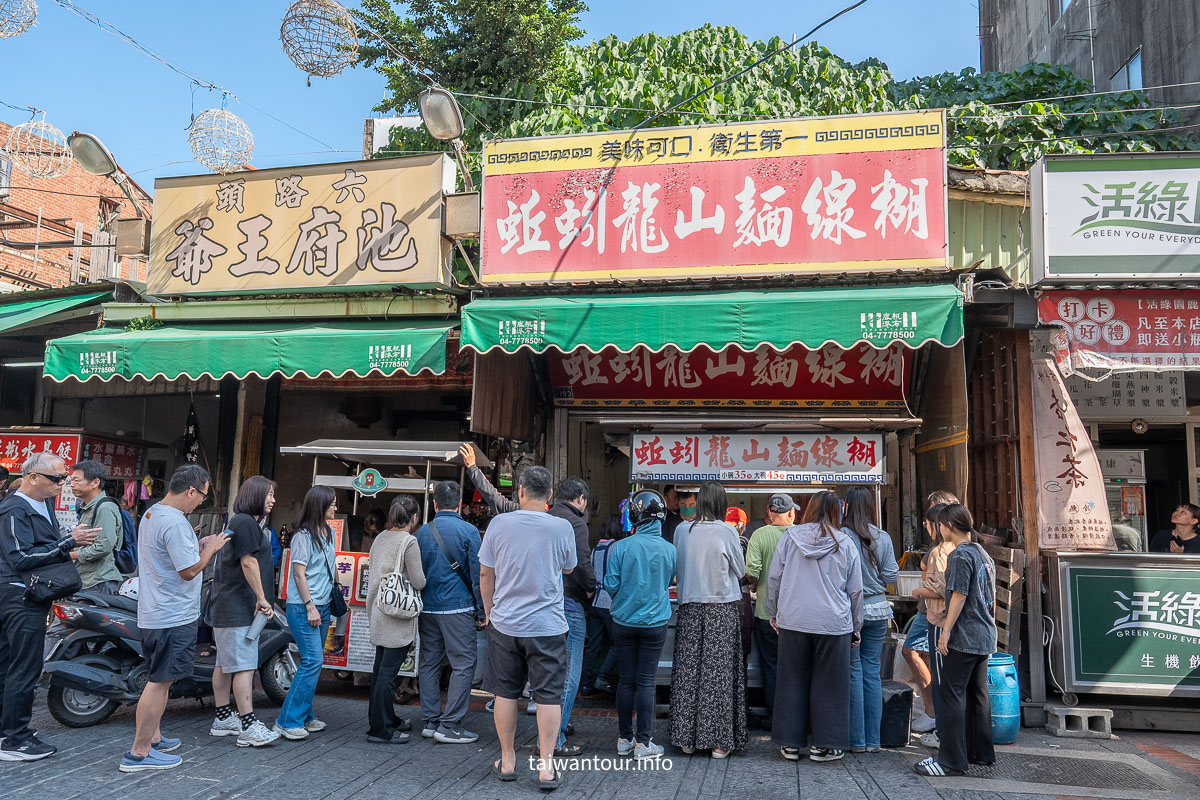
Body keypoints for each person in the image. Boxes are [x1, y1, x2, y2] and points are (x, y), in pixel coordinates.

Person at [120, 465, 229, 772]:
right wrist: (211, 548)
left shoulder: (153, 513)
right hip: (172, 614)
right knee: (158, 682)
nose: (201, 503)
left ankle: (153, 739)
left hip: (154, 612)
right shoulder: (176, 522)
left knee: (160, 679)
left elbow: (168, 558)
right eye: (202, 496)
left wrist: (193, 545)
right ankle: (139, 753)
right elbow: (189, 571)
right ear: (191, 491)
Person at [479, 466, 576, 789]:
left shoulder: (498, 524)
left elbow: (486, 575)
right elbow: (569, 567)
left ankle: (508, 761)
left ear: (519, 491)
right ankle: (546, 768)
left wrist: (490, 611)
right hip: (547, 625)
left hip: (506, 623)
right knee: (549, 696)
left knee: (506, 692)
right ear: (550, 495)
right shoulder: (562, 527)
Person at [0, 452, 99, 761]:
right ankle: (14, 738)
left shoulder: (41, 504)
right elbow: (20, 558)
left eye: (64, 478)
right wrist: (68, 542)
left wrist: (65, 541)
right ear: (33, 478)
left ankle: (10, 731)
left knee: (12, 664)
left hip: (29, 594)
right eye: (57, 478)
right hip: (19, 596)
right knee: (23, 666)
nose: (63, 483)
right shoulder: (14, 508)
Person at [767, 491, 863, 764]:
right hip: (834, 624)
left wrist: (774, 613)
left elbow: (774, 578)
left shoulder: (789, 538)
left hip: (793, 620)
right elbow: (856, 591)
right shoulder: (845, 542)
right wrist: (856, 626)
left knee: (791, 681)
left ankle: (790, 745)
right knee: (830, 685)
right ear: (837, 512)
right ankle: (824, 746)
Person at [914, 504, 997, 778]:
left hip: (966, 636)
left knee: (951, 696)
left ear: (948, 526)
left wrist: (946, 631)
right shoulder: (982, 552)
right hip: (985, 634)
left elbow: (959, 595)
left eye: (940, 525)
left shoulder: (960, 555)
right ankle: (980, 753)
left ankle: (950, 761)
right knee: (977, 694)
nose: (939, 529)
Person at [669, 481, 747, 758]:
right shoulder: (726, 530)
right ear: (721, 503)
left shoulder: (681, 530)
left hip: (689, 606)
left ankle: (686, 739)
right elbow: (741, 570)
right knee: (719, 675)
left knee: (689, 673)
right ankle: (719, 741)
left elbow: (678, 565)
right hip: (720, 608)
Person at [205, 476, 280, 748]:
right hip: (237, 605)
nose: (272, 500)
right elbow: (248, 563)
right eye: (269, 494)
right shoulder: (246, 522)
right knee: (245, 665)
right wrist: (262, 598)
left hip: (226, 604)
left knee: (224, 664)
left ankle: (224, 718)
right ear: (255, 495)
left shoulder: (238, 521)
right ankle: (248, 725)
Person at [604, 489, 677, 760]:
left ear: (635, 517)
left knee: (626, 681)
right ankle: (644, 744)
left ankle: (624, 739)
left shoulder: (621, 547)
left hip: (623, 621)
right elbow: (669, 581)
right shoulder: (670, 550)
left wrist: (624, 598)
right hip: (655, 622)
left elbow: (610, 584)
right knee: (646, 682)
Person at [416, 480, 484, 745]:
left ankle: (431, 720)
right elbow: (478, 574)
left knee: (429, 663)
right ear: (460, 505)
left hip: (427, 607)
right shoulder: (469, 531)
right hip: (458, 607)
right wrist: (481, 609)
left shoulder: (422, 533)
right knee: (464, 664)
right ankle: (450, 724)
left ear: (434, 504)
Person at [274, 486, 339, 740]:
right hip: (304, 607)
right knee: (313, 661)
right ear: (320, 506)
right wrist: (310, 604)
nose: (336, 507)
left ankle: (305, 715)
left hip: (322, 604)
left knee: (311, 661)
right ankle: (287, 720)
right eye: (332, 503)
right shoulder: (302, 536)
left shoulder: (330, 532)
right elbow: (298, 573)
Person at [843, 486, 900, 754]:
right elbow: (890, 577)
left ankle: (856, 741)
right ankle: (873, 741)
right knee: (872, 674)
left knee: (853, 674)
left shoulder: (841, 537)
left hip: (849, 611)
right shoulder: (883, 537)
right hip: (878, 609)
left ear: (846, 506)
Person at [366, 495, 426, 743]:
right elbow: (419, 581)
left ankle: (386, 719)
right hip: (397, 615)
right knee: (388, 675)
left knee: (380, 670)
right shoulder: (409, 542)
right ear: (414, 518)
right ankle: (381, 730)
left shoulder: (380, 537)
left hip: (379, 611)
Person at [904, 490, 959, 737]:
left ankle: (934, 714)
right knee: (921, 654)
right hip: (930, 611)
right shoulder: (942, 545)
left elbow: (944, 588)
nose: (929, 522)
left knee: (916, 652)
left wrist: (919, 590)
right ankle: (935, 713)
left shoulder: (945, 548)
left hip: (936, 612)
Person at [548, 476, 595, 756]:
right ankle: (555, 738)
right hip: (570, 606)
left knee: (551, 672)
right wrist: (590, 589)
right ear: (579, 498)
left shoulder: (544, 517)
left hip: (545, 605)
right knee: (568, 675)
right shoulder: (575, 523)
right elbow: (582, 564)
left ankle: (556, 726)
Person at [743, 493, 797, 728]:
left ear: (769, 512)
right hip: (797, 616)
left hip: (766, 613)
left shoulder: (759, 534)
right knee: (797, 668)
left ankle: (778, 720)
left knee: (772, 668)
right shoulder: (801, 535)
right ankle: (798, 721)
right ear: (792, 513)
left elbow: (751, 570)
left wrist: (756, 585)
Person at [581, 514, 623, 697]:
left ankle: (586, 683)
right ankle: (603, 677)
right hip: (610, 602)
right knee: (618, 643)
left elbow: (590, 574)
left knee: (594, 645)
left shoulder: (596, 548)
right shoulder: (617, 547)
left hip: (596, 601)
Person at [68, 459, 123, 593]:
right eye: (72, 480)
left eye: (77, 480)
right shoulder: (88, 507)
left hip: (99, 581)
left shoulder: (105, 508)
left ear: (95, 482)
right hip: (87, 579)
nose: (72, 485)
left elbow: (103, 546)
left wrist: (73, 555)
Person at [460, 443, 518, 515]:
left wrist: (472, 467)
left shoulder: (517, 510)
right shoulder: (518, 510)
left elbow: (493, 497)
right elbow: (493, 497)